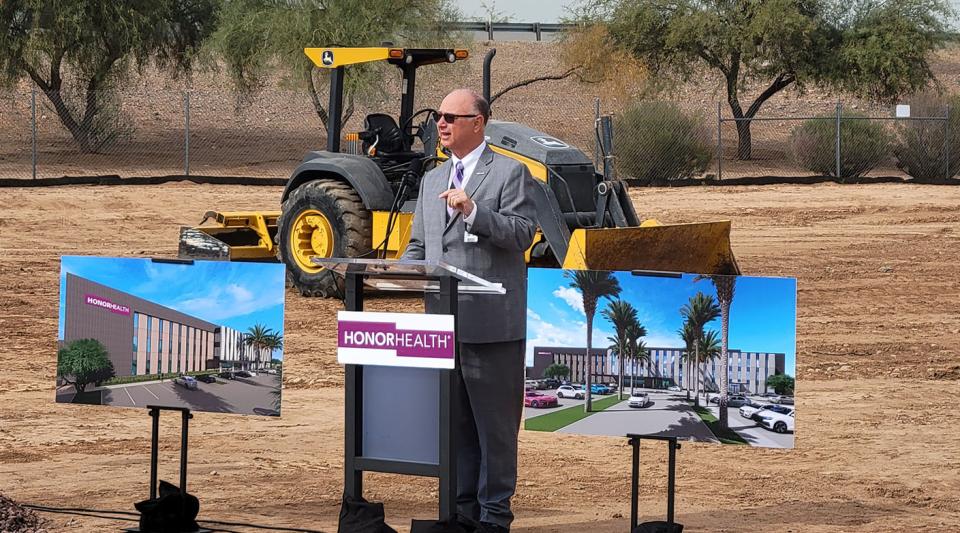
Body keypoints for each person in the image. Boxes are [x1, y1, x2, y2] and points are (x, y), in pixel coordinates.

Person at [401, 88, 537, 533]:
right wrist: (393, 271)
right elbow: (420, 247)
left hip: (492, 325)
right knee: (454, 426)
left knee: (494, 431)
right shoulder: (431, 180)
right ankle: (461, 513)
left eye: (450, 118)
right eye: (438, 117)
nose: (440, 124)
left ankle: (495, 516)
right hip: (441, 326)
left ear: (478, 123)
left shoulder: (511, 174)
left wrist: (475, 210)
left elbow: (521, 235)